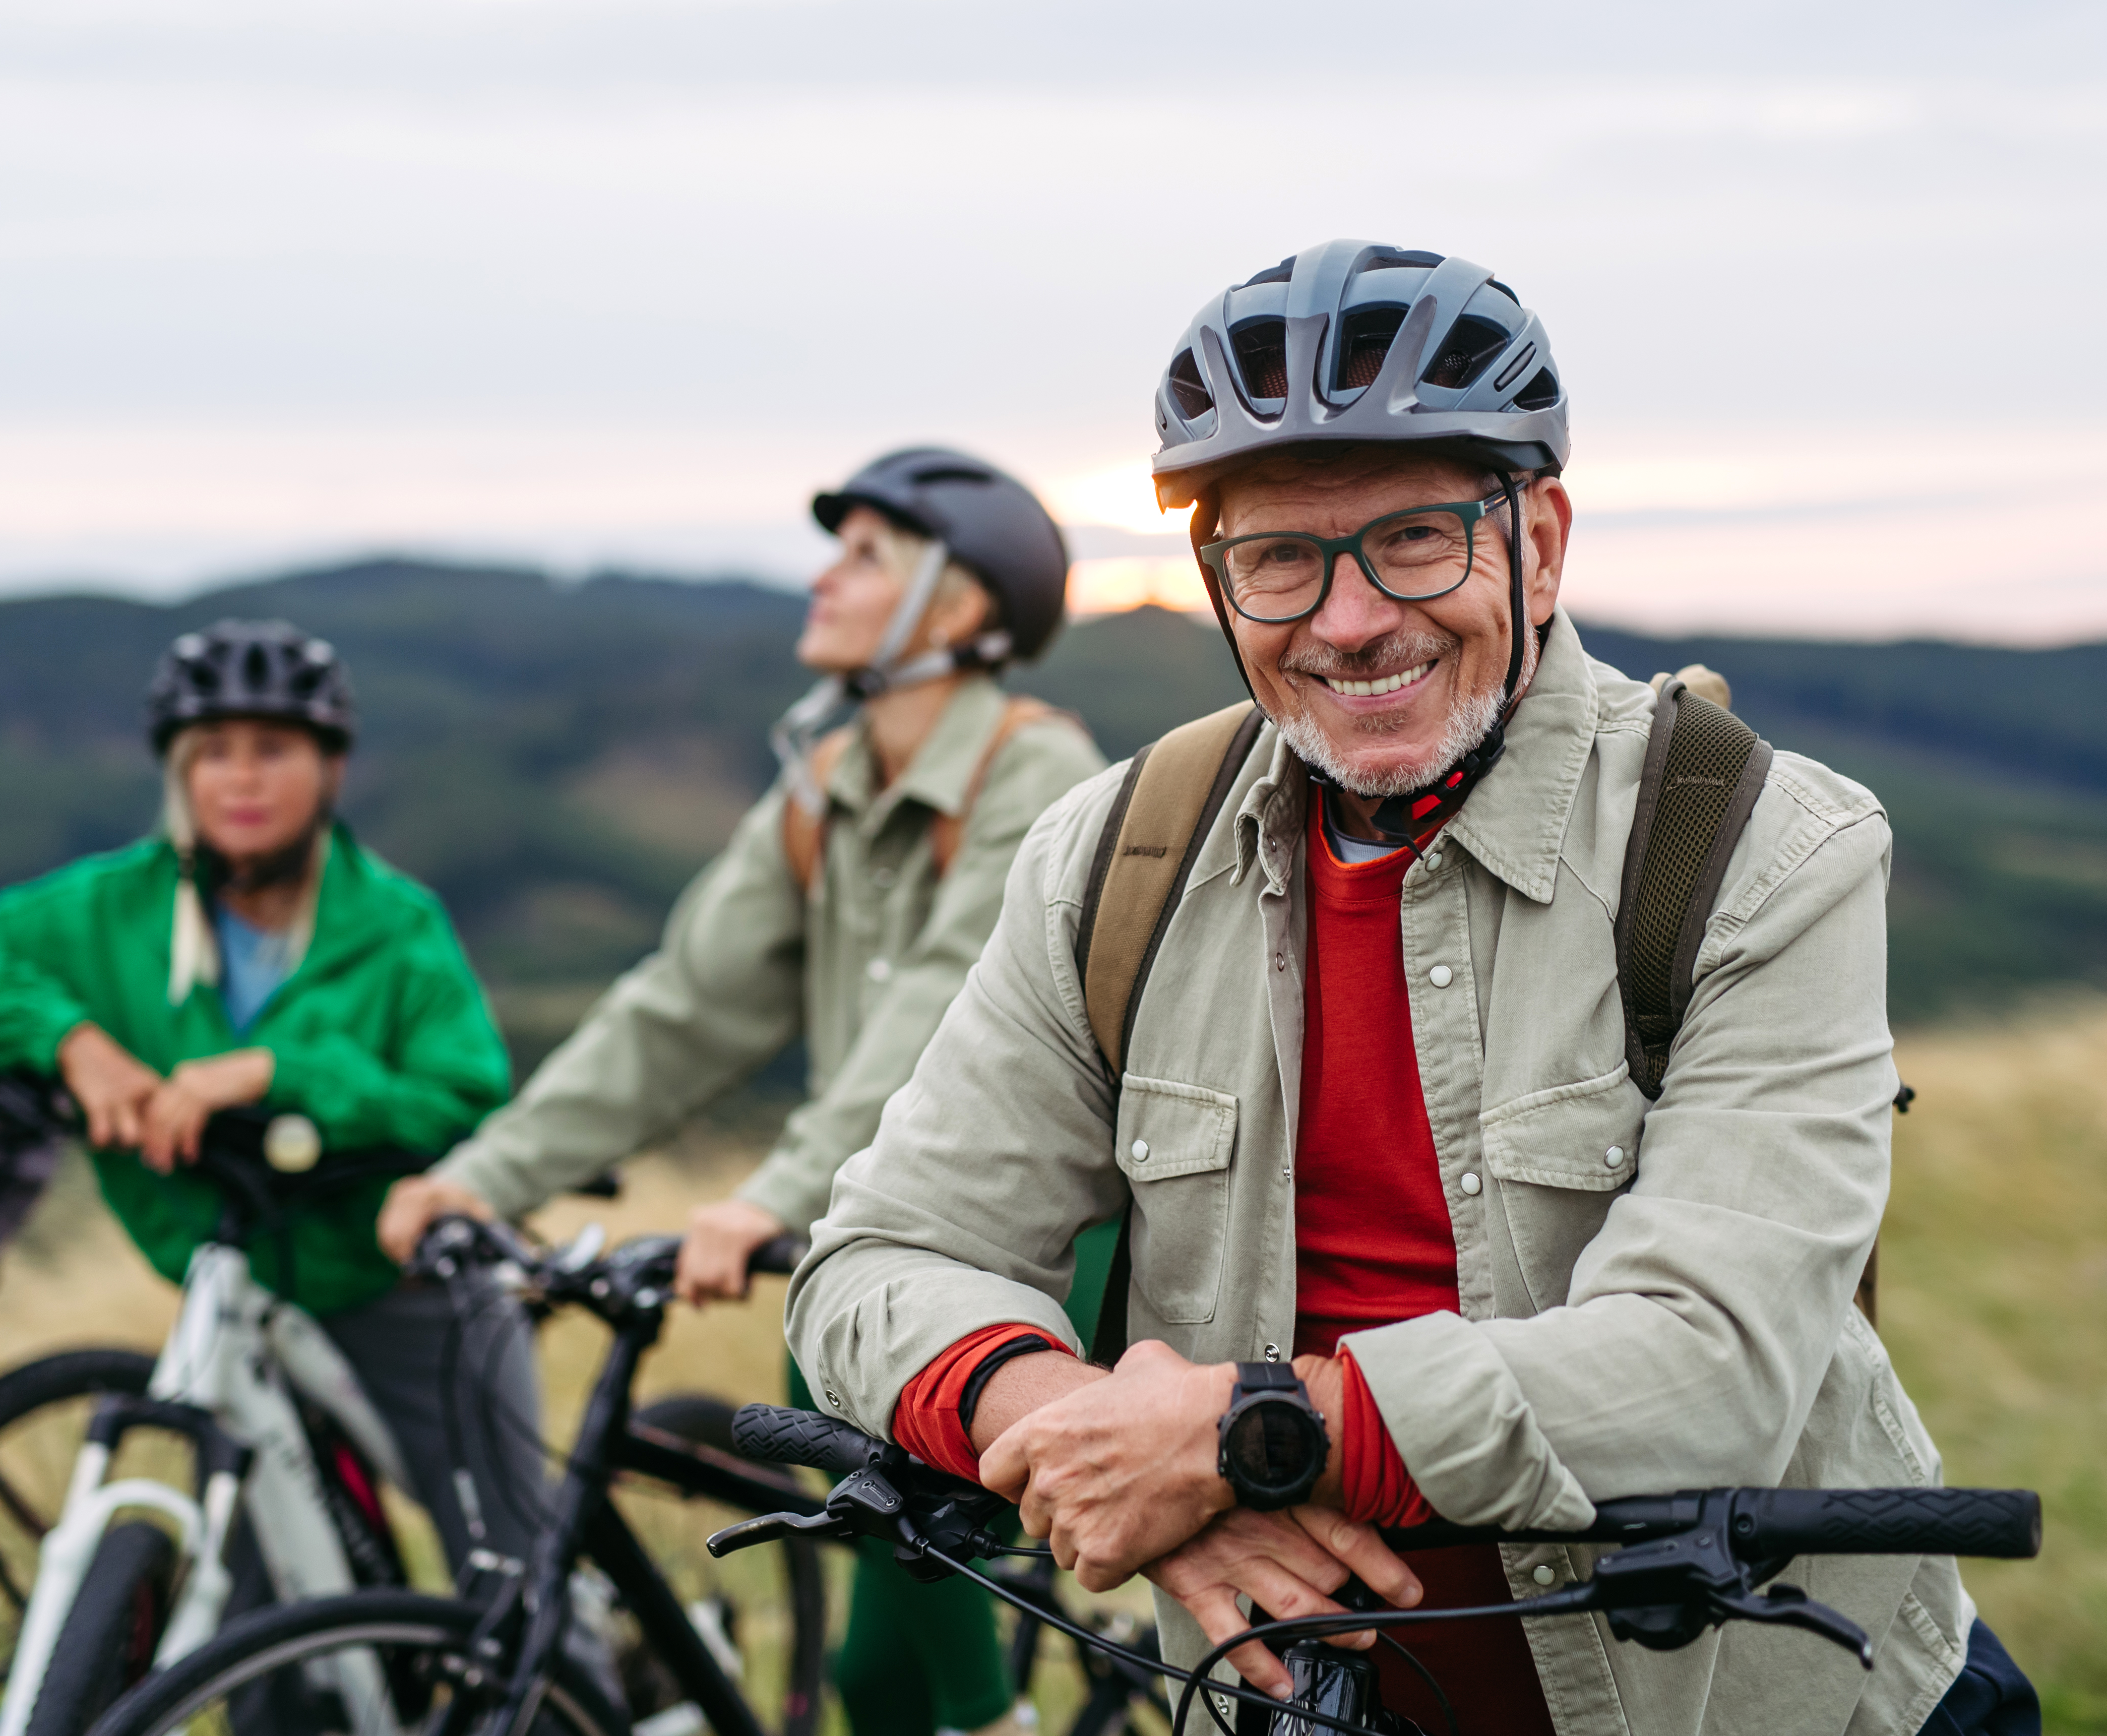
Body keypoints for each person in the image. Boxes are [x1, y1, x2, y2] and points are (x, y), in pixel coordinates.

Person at [783, 242, 2041, 1735]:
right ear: (1214, 580)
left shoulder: (1760, 845)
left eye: (1416, 539)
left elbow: (1711, 1366)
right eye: (1277, 560)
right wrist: (1106, 1441)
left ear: (1541, 538)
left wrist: (1244, 1436)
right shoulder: (1110, 857)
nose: (1348, 618)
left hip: (1758, 1700)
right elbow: (871, 1258)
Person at [378, 449, 1110, 1736]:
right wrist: (481, 1177)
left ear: (957, 611)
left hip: (1048, 1239)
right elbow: (678, 1011)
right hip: (886, 1224)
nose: (825, 578)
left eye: (869, 557)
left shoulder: (1034, 779)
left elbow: (923, 1033)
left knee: (914, 1638)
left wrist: (769, 1196)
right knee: (874, 1674)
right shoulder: (820, 790)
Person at [0, 620, 554, 1678]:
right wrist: (72, 1041)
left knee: (515, 1585)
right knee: (260, 1622)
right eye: (213, 752)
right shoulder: (108, 910)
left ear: (330, 768)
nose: (241, 779)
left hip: (411, 1289)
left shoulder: (397, 925)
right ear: (178, 772)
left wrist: (278, 1073)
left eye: (273, 750)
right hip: (238, 1304)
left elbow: (465, 1099)